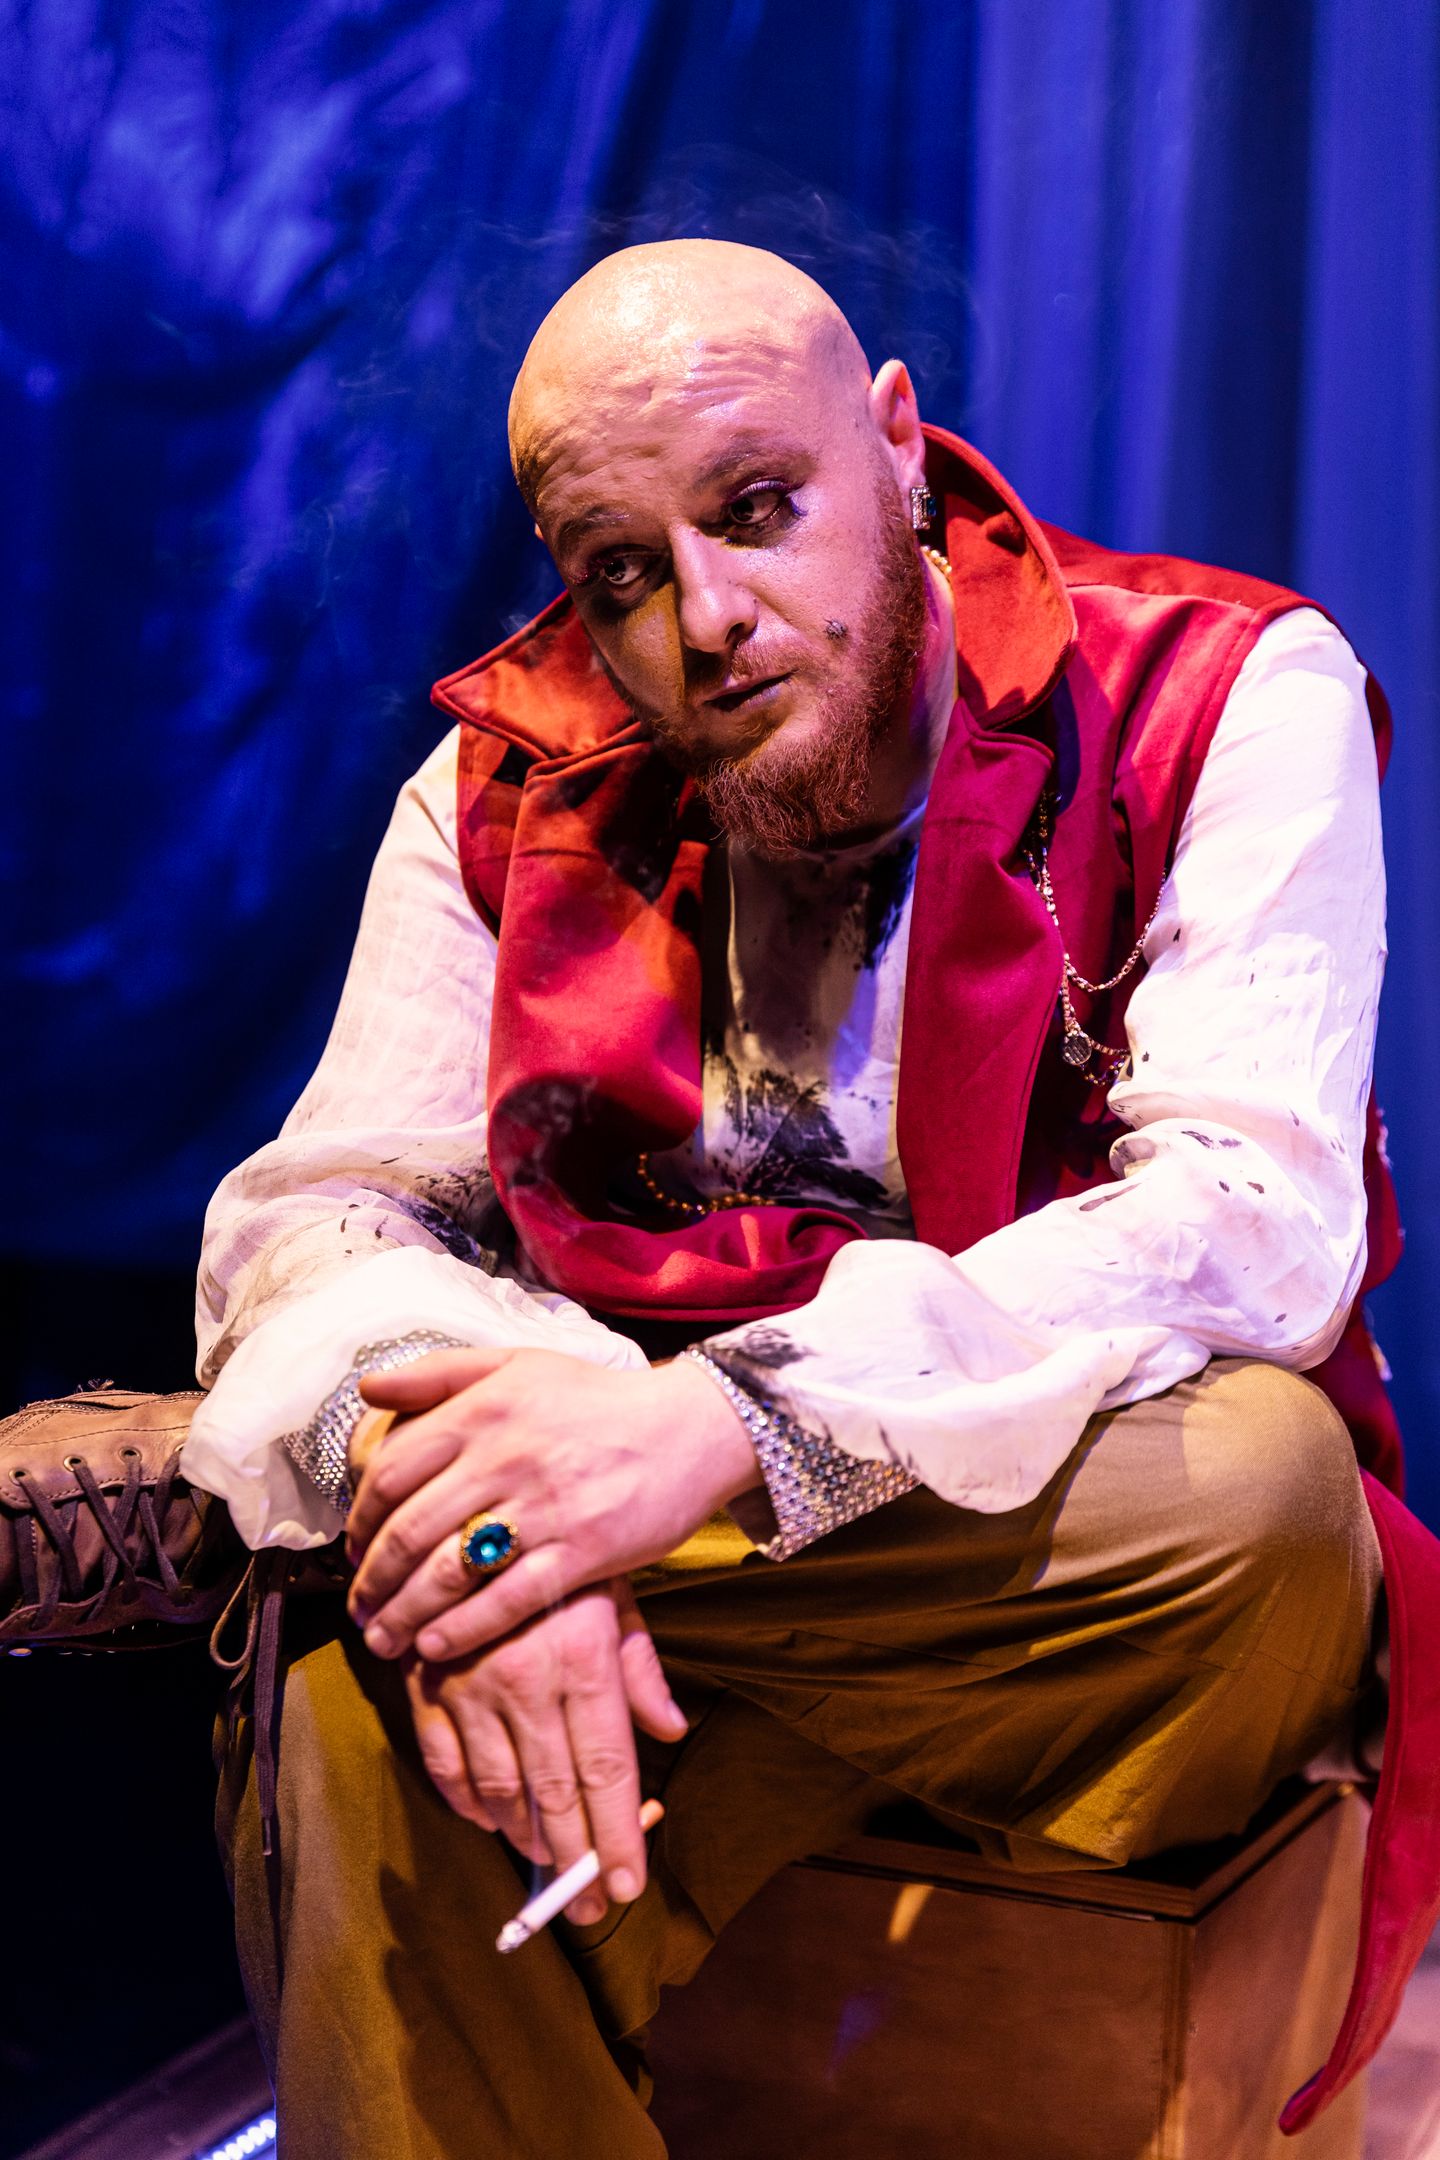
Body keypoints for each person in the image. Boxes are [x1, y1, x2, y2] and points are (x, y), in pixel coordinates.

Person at [183, 240, 1433, 2158]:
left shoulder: (1222, 689)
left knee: (1260, 1484)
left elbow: (1253, 1218)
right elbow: (322, 1212)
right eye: (620, 572)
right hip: (693, 1580)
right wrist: (503, 1528)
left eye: (759, 509)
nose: (707, 618)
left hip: (1076, 1600)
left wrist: (711, 1433)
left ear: (898, 447)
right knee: (368, 1668)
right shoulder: (500, 787)